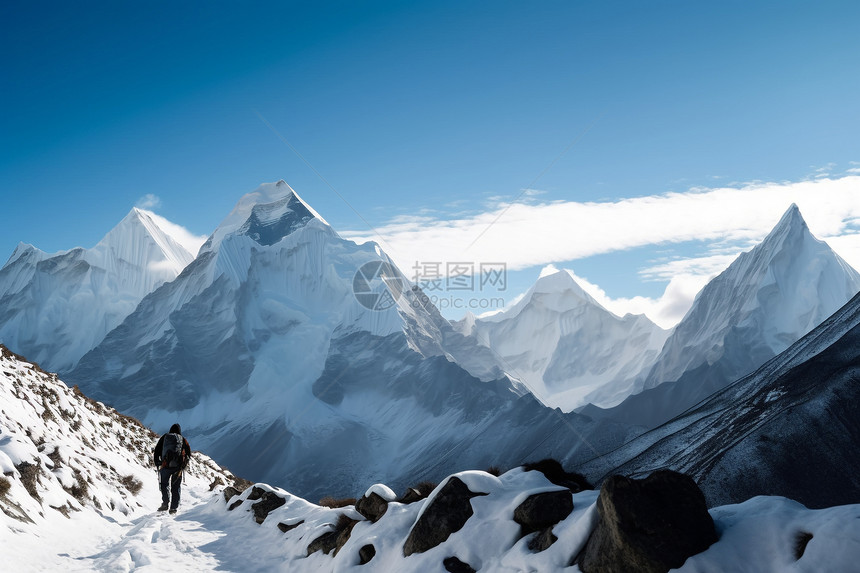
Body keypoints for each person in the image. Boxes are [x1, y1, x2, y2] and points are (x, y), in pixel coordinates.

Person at [153, 423, 192, 514]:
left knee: (164, 485)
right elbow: (188, 454)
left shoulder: (164, 437)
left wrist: (157, 463)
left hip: (165, 466)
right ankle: (173, 508)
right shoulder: (182, 439)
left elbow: (157, 451)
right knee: (176, 487)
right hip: (178, 468)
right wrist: (183, 465)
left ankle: (165, 504)